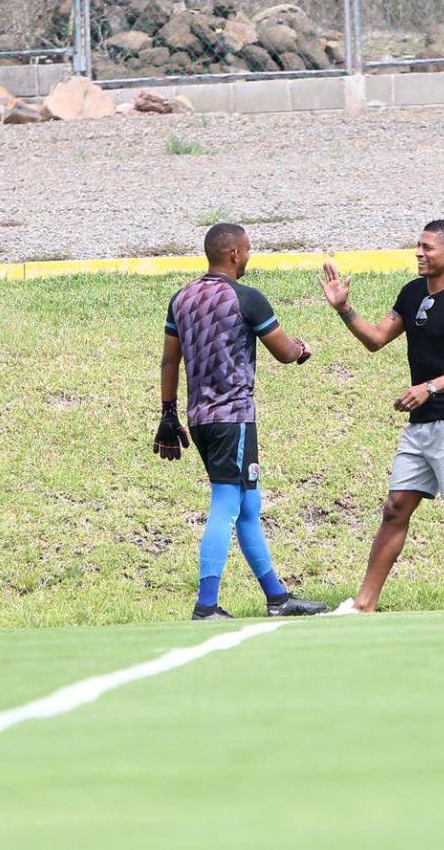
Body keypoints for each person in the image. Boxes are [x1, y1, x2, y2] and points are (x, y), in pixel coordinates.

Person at [318, 219, 444, 612]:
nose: (419, 252)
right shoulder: (412, 293)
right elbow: (376, 339)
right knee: (395, 508)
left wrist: (429, 387)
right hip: (421, 424)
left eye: (427, 247)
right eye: (418, 246)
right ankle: (364, 604)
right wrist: (344, 309)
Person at [154, 223, 328, 620]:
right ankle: (206, 606)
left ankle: (278, 598)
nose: (249, 256)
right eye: (247, 250)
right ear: (233, 254)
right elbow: (283, 352)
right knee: (226, 502)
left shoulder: (180, 299)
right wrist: (302, 349)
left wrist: (168, 413)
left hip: (199, 419)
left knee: (250, 504)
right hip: (233, 417)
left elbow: (170, 360)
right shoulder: (247, 298)